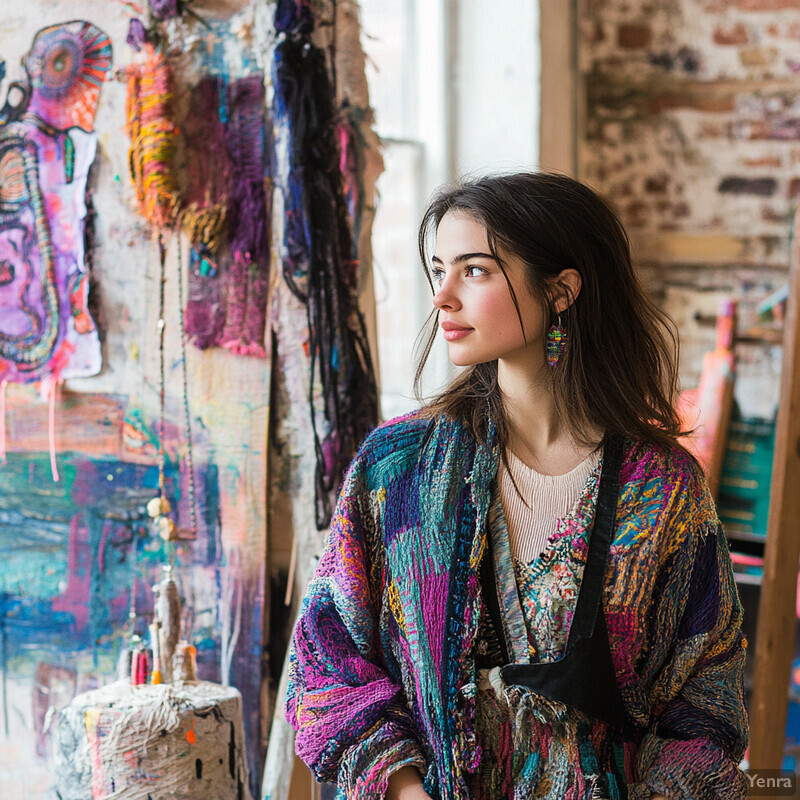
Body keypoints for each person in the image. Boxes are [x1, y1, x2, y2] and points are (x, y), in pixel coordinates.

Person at [285, 172, 748, 800]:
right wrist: (403, 791)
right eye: (439, 268)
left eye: (474, 270)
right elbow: (324, 658)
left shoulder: (663, 489)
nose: (443, 296)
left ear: (560, 291)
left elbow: (707, 697)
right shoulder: (396, 471)